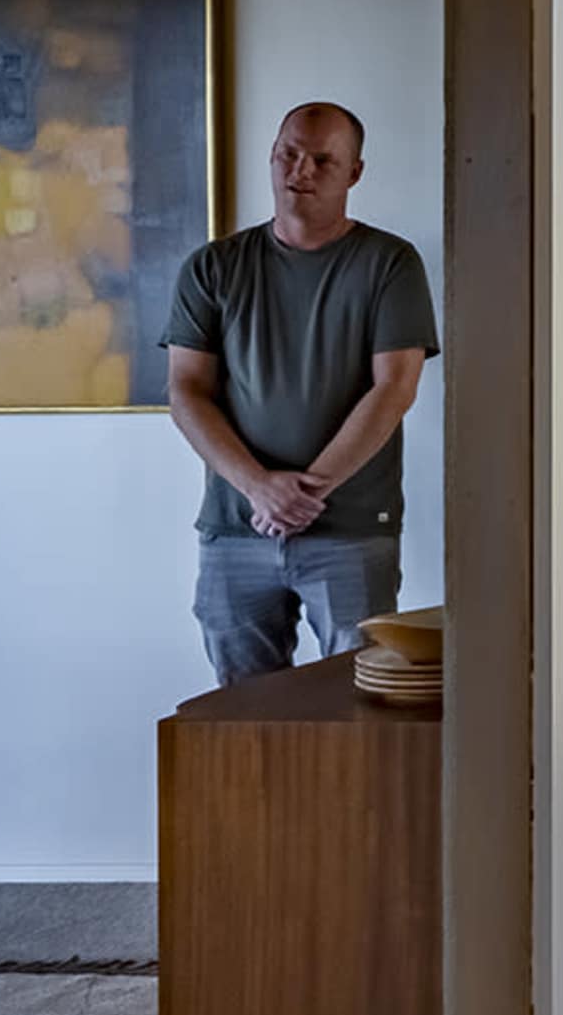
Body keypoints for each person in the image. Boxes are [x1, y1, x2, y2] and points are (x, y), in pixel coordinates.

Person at [165, 102, 438, 684]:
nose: (301, 170)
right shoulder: (213, 267)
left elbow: (395, 388)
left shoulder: (389, 264)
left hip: (351, 531)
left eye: (322, 159)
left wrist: (305, 493)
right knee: (242, 716)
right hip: (236, 528)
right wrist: (259, 489)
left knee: (357, 704)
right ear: (271, 156)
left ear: (354, 173)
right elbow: (187, 392)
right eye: (289, 153)